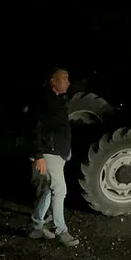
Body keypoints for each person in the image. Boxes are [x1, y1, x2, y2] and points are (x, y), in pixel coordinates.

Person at [28, 67, 79, 247]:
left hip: (57, 153)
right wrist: (38, 155)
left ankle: (36, 225)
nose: (68, 81)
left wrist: (66, 151)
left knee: (51, 189)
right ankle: (61, 231)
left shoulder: (58, 101)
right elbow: (35, 128)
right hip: (49, 152)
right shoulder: (44, 101)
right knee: (60, 189)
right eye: (64, 78)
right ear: (53, 81)